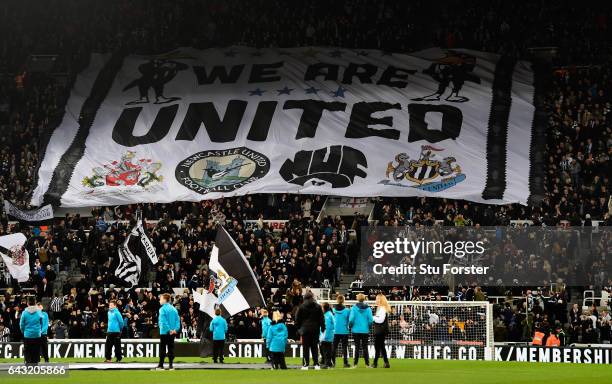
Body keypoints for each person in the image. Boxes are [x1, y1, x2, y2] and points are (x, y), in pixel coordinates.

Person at [295, 291, 324, 370]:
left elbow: (297, 319)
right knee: (315, 347)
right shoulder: (318, 306)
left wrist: (299, 330)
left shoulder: (301, 307)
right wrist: (323, 327)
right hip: (315, 330)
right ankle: (316, 364)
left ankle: (306, 365)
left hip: (305, 330)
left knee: (306, 348)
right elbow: (321, 318)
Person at [157, 293, 181, 370]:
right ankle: (171, 365)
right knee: (171, 348)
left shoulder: (162, 309)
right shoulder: (174, 309)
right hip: (172, 333)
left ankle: (161, 365)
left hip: (164, 332)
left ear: (164, 300)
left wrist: (169, 330)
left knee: (163, 348)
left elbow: (163, 322)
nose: (159, 300)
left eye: (160, 299)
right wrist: (175, 330)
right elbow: (178, 321)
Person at [349, 293, 372, 368]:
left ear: (357, 299)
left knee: (357, 347)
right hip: (365, 330)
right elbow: (371, 320)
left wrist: (351, 326)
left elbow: (351, 319)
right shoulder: (368, 308)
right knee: (365, 347)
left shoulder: (354, 308)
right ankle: (367, 364)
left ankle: (355, 364)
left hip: (356, 330)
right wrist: (369, 326)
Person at [20, 297, 42, 365]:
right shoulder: (39, 312)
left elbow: (21, 324)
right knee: (36, 350)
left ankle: (28, 364)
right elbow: (41, 322)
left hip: (27, 335)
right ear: (35, 303)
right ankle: (35, 364)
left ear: (27, 303)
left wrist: (24, 331)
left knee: (27, 350)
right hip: (37, 334)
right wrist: (39, 330)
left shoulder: (24, 313)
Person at [372, 293, 391, 368]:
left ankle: (375, 363)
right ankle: (386, 363)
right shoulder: (381, 308)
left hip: (380, 331)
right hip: (381, 330)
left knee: (377, 346)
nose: (376, 300)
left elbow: (380, 320)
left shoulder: (382, 308)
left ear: (380, 300)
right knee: (381, 346)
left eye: (377, 299)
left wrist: (372, 317)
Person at [333, 294, 351, 368]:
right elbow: (349, 320)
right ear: (344, 301)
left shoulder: (333, 310)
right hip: (344, 331)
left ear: (337, 300)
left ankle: (332, 362)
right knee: (344, 347)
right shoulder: (347, 310)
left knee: (334, 347)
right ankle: (345, 363)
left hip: (335, 331)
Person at [320, 302, 335, 368]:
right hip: (329, 335)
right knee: (328, 349)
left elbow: (327, 326)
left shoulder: (327, 316)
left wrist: (324, 336)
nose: (321, 309)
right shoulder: (329, 314)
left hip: (326, 335)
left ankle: (327, 363)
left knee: (326, 350)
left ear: (324, 308)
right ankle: (329, 363)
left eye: (322, 307)